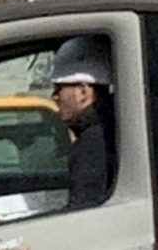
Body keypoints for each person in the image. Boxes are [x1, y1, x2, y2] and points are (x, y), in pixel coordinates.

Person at [49, 35, 117, 209]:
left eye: (59, 88)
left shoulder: (91, 143)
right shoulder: (111, 129)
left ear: (83, 92)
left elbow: (82, 212)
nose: (54, 96)